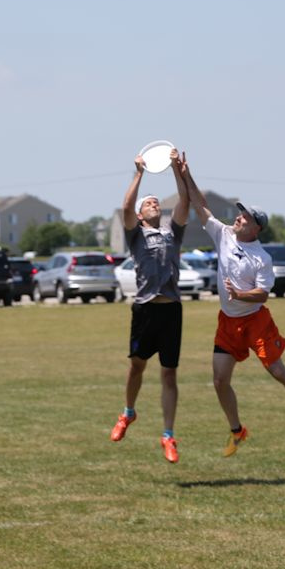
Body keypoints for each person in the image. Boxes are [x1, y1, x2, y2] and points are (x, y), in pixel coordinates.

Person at [179, 157, 285, 456]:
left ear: (256, 228)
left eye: (245, 217)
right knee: (219, 380)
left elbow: (262, 295)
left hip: (255, 321)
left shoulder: (261, 258)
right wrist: (185, 174)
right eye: (240, 214)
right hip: (228, 322)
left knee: (277, 370)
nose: (239, 218)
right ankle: (237, 431)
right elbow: (199, 204)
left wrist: (240, 294)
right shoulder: (222, 234)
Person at [110, 148, 190, 463]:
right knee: (137, 366)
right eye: (148, 203)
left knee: (169, 374)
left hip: (171, 310)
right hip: (145, 309)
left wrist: (176, 170)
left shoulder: (172, 233)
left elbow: (185, 202)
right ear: (141, 215)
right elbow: (126, 207)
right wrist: (139, 173)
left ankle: (168, 435)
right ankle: (128, 412)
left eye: (157, 202)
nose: (154, 203)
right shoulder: (136, 235)